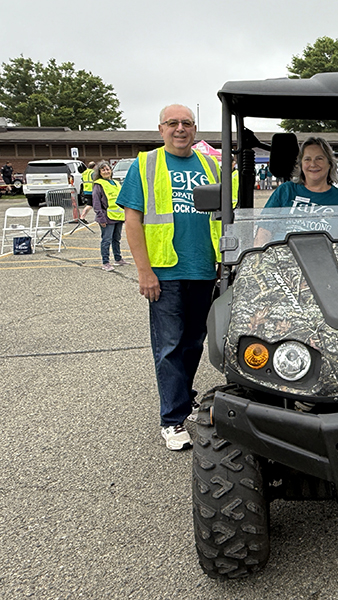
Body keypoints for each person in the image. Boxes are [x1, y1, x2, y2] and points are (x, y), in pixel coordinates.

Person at [116, 104, 221, 451]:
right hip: (165, 272)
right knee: (169, 346)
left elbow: (221, 216)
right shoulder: (144, 164)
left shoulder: (209, 164)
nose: (180, 129)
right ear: (161, 129)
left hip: (203, 269)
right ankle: (172, 420)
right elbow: (133, 221)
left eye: (187, 123)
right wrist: (144, 272)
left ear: (195, 129)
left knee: (193, 343)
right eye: (173, 123)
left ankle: (184, 399)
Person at [255, 137, 338, 246]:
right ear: (301, 164)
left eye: (319, 158)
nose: (313, 164)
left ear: (329, 163)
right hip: (282, 258)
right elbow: (264, 231)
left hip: (322, 260)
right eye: (307, 159)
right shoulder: (286, 190)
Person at [91, 161, 127, 271]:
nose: (106, 171)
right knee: (106, 240)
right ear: (100, 172)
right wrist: (101, 217)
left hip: (118, 216)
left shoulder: (116, 183)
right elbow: (96, 202)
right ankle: (105, 262)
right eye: (103, 170)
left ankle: (118, 258)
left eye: (108, 169)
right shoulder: (99, 184)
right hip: (107, 217)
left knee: (117, 239)